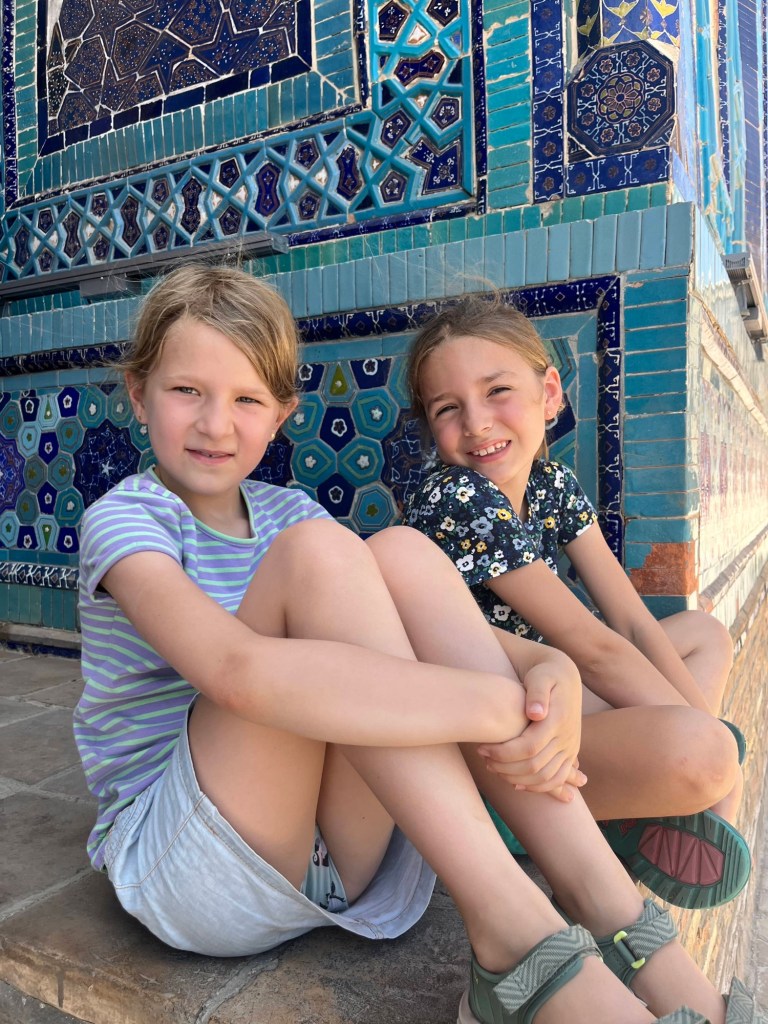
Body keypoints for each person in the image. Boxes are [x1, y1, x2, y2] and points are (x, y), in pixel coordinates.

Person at [73, 265, 760, 1024]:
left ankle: (610, 905)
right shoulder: (126, 519)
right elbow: (238, 673)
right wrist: (497, 707)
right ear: (138, 393)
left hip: (337, 864)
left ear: (281, 415)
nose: (215, 424)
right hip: (192, 863)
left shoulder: (291, 511)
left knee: (397, 553)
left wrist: (548, 671)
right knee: (323, 557)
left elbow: (423, 626)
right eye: (186, 391)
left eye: (246, 399)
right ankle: (519, 932)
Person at [404, 293, 750, 911]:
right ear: (431, 426)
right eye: (448, 408)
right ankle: (548, 818)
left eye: (497, 391)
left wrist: (707, 729)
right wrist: (717, 761)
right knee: (703, 756)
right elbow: (591, 649)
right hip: (505, 721)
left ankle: (633, 798)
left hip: (559, 684)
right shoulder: (455, 496)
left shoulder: (551, 482)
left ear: (549, 393)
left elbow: (630, 621)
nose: (477, 423)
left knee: (704, 634)